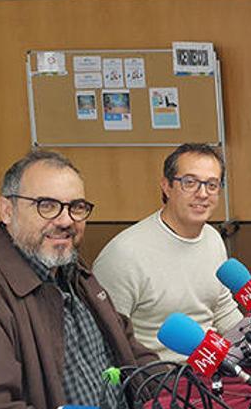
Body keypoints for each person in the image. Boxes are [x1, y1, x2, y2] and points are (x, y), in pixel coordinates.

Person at [0, 151, 158, 409]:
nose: (66, 220)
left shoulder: (71, 268)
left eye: (76, 207)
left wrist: (179, 390)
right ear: (6, 210)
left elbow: (128, 350)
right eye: (47, 206)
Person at [93, 144, 242, 361]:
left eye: (212, 185)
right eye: (189, 183)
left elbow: (222, 310)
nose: (202, 194)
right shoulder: (123, 254)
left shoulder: (212, 239)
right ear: (166, 186)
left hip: (213, 367)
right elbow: (107, 339)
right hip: (159, 379)